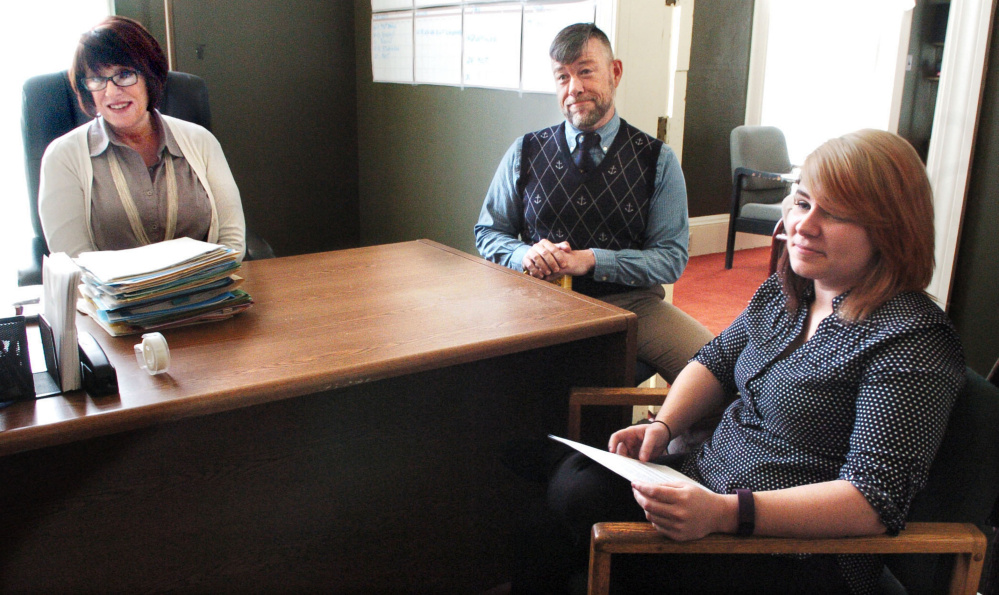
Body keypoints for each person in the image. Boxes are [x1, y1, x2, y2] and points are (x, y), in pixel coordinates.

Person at [532, 129, 966, 594]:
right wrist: (664, 428)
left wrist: (724, 513)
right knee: (558, 487)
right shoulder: (789, 292)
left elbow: (871, 502)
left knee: (564, 512)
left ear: (891, 229)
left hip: (791, 553)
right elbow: (716, 361)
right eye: (802, 203)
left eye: (835, 213)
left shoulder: (912, 339)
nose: (805, 224)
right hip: (704, 488)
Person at [474, 23, 713, 384]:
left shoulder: (657, 160)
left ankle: (668, 439)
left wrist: (590, 260)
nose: (574, 89)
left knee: (719, 374)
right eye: (563, 77)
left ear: (614, 71)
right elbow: (488, 233)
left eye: (585, 71)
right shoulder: (524, 151)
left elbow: (671, 259)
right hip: (537, 300)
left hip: (631, 305)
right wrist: (524, 255)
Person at [38, 16, 246, 260]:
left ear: (150, 77)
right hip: (112, 298)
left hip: (204, 294)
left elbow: (232, 241)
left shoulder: (201, 141)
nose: (112, 92)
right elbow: (74, 260)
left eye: (124, 75)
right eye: (97, 79)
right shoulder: (63, 156)